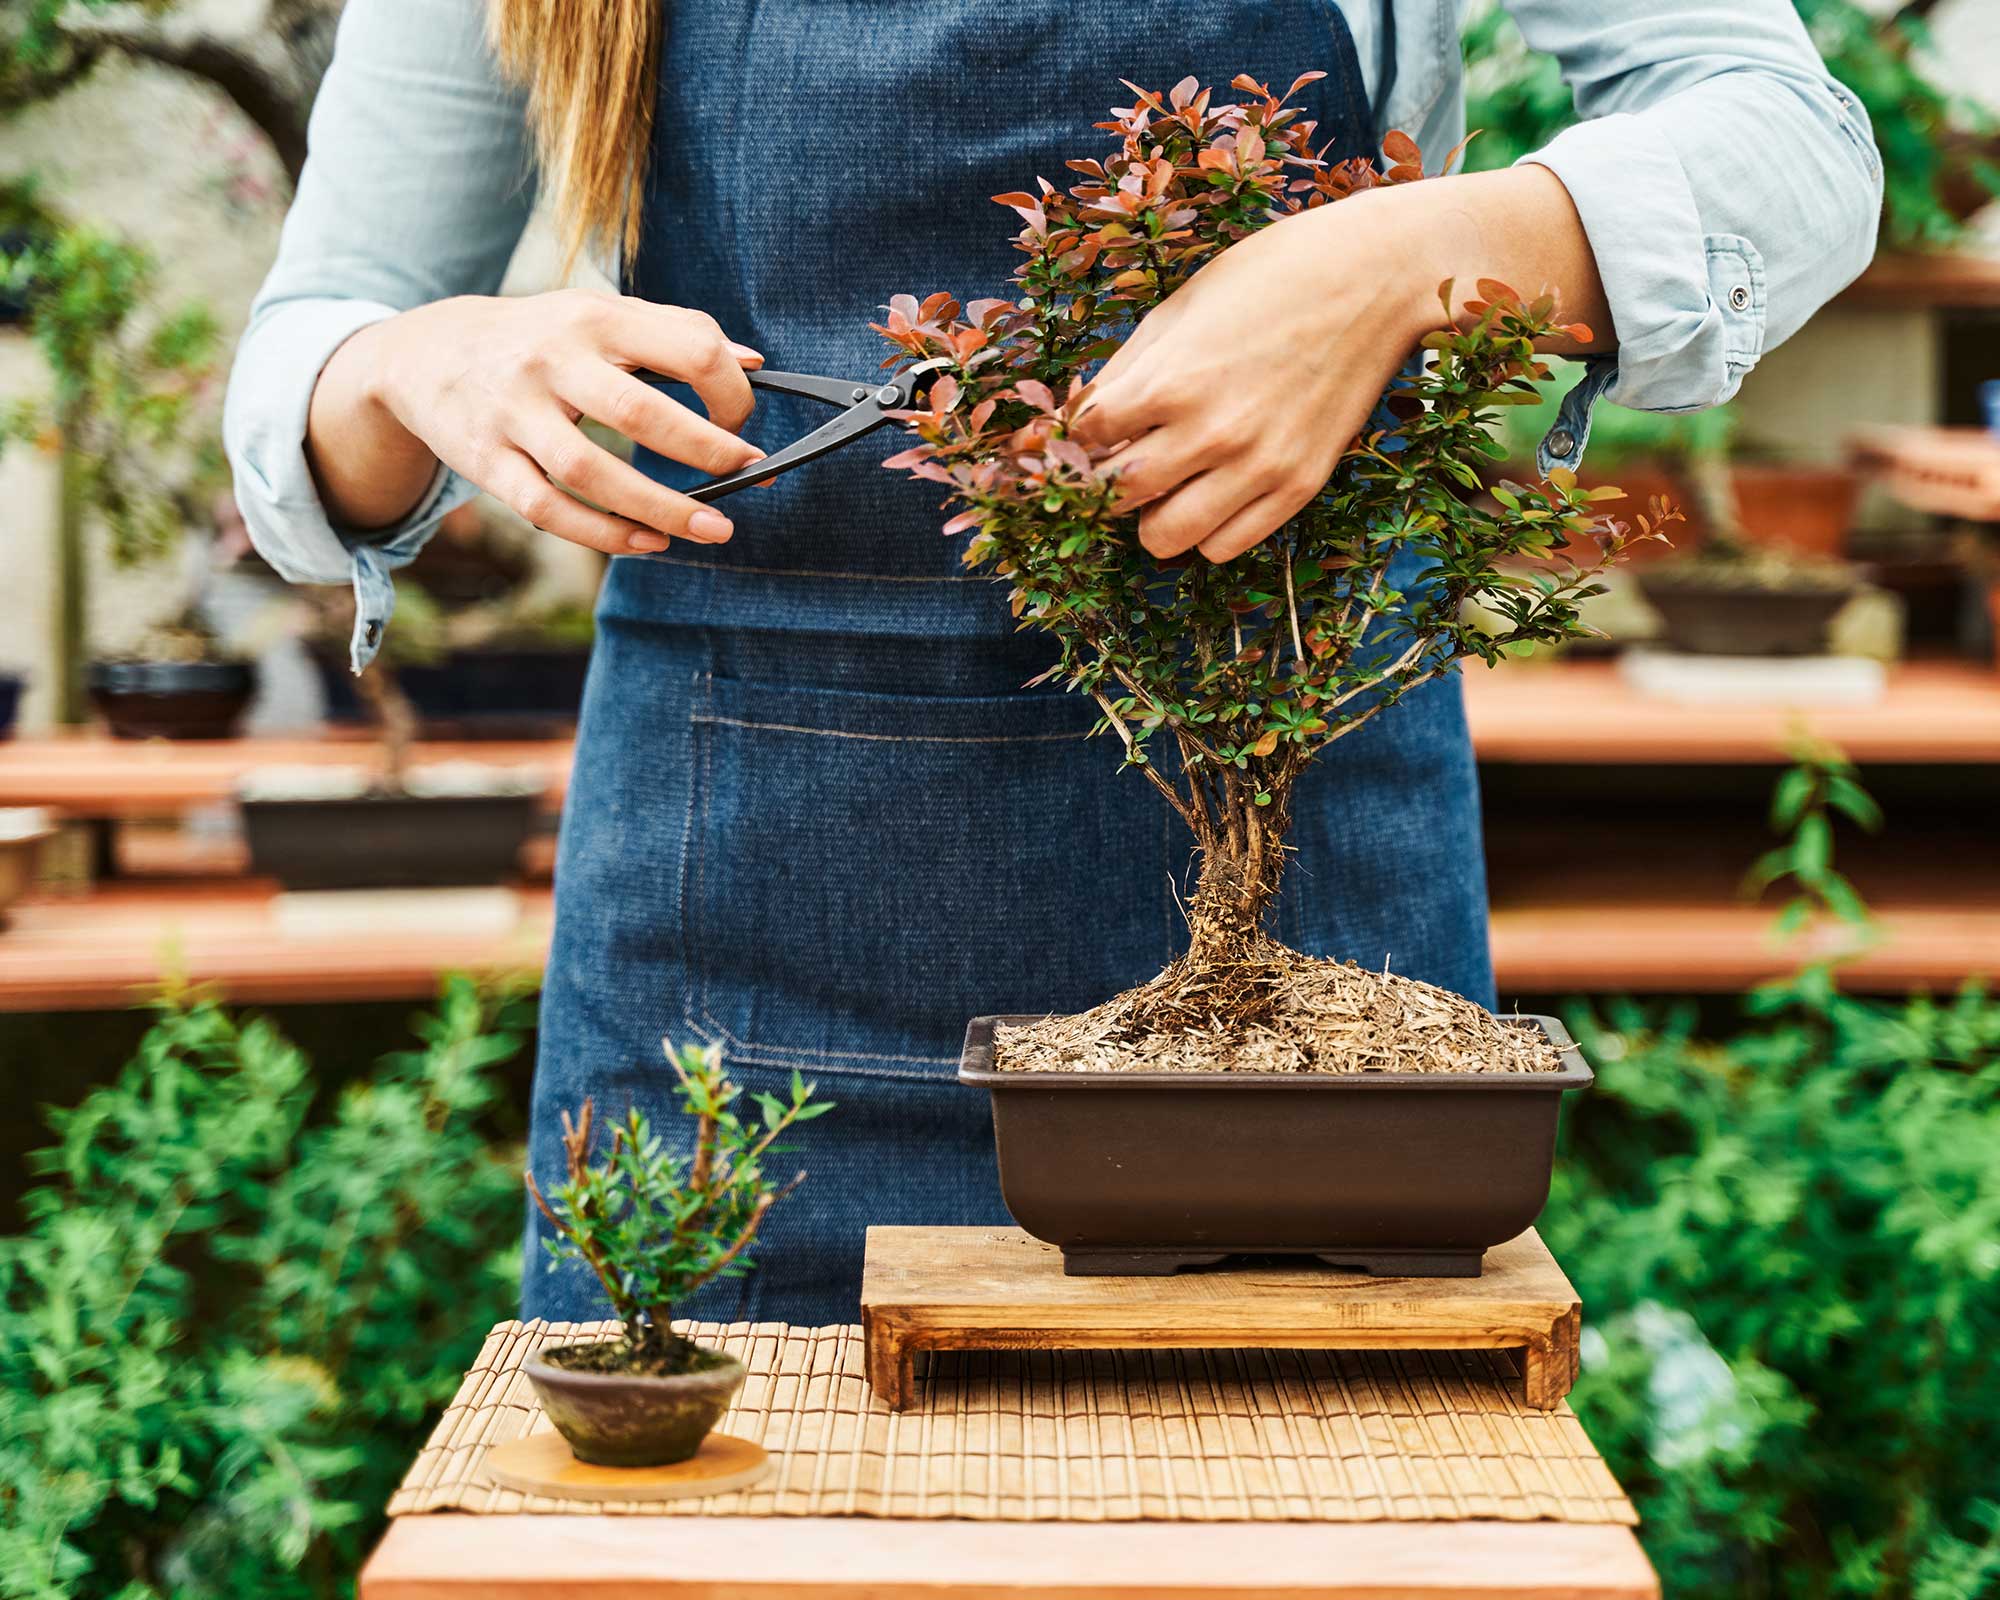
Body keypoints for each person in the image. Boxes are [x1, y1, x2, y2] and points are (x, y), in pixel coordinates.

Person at [225, 0, 1881, 1324]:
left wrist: (1402, 263)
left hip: (1305, 960)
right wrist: (413, 364)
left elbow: (1791, 150)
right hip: (744, 947)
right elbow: (325, 334)